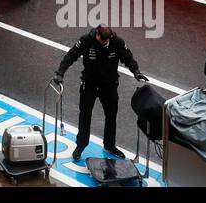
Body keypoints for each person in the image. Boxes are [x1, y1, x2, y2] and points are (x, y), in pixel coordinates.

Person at [54, 25, 147, 161]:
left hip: (109, 86)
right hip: (89, 84)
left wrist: (136, 72)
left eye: (103, 41)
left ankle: (109, 145)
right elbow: (71, 55)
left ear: (109, 38)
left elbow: (128, 58)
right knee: (85, 115)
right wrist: (60, 72)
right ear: (96, 34)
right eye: (98, 38)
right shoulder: (87, 40)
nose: (100, 41)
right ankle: (80, 145)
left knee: (111, 116)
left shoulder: (117, 43)